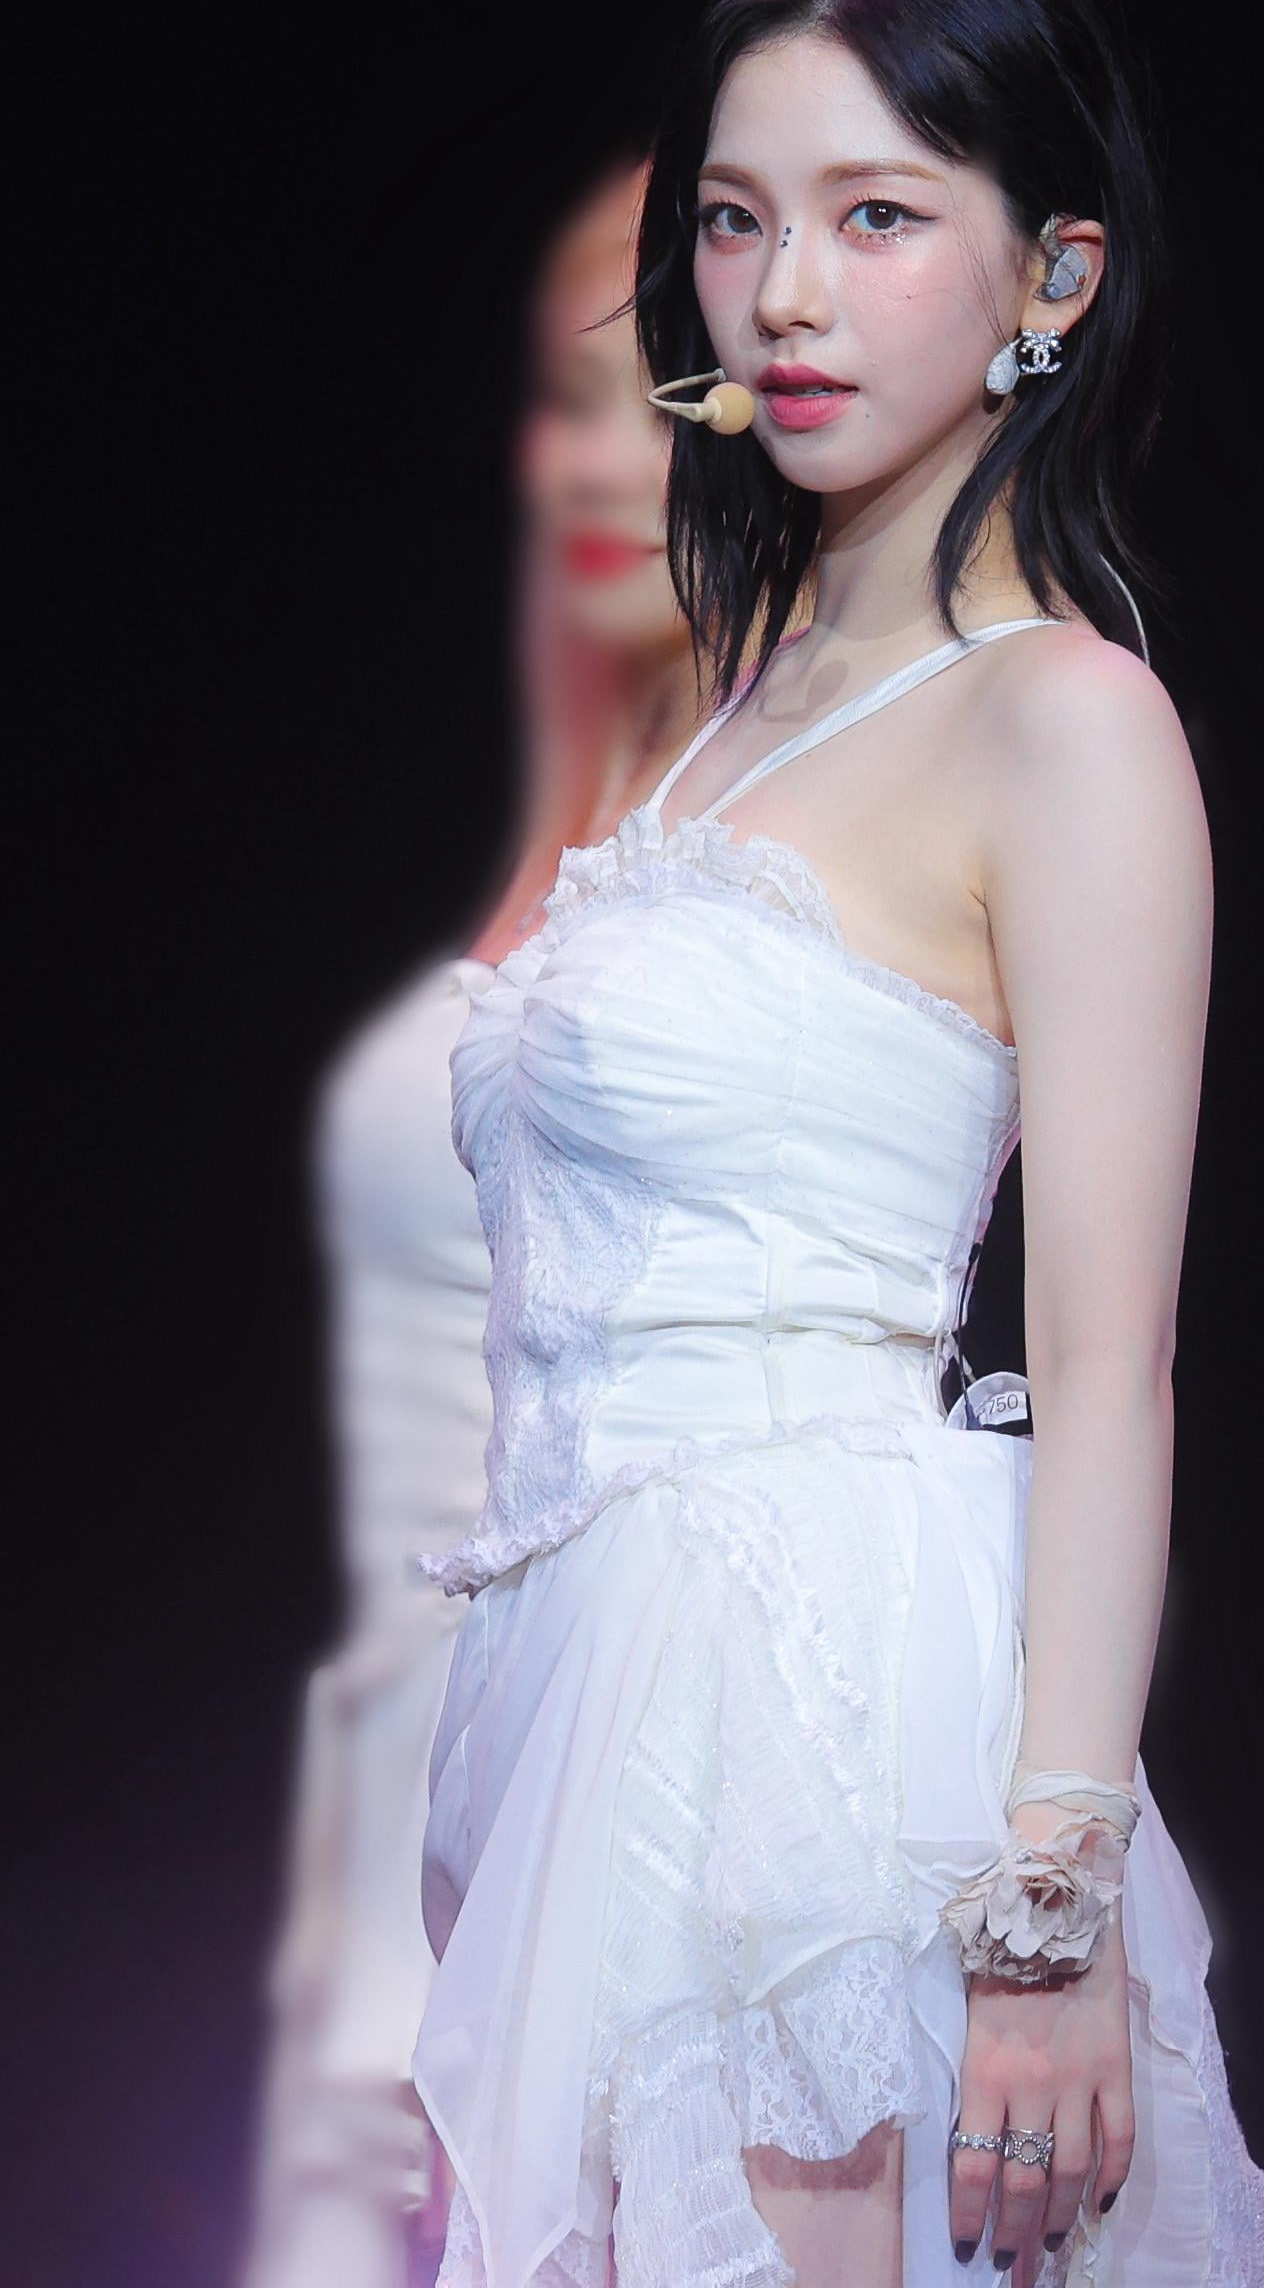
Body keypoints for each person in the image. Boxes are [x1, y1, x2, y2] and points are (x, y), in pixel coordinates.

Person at [414, 0, 1264, 2288]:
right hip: (579, 1706)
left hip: (811, 1731)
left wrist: (1050, 1903)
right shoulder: (743, 697)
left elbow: (1105, 1357)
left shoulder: (1064, 722)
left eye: (878, 215)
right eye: (735, 219)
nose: (784, 294)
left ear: (1054, 276)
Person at [241, 155, 730, 2288]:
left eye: (661, 392)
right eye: (563, 394)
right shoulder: (559, 823)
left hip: (605, 1857)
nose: (590, 461)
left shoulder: (785, 887)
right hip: (387, 1849)